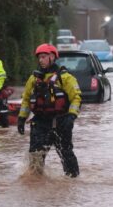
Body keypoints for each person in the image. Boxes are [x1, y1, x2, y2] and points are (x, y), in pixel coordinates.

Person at [17, 43, 82, 177]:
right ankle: (36, 185)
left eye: (43, 57)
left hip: (61, 122)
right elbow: (26, 99)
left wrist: (72, 116)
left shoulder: (65, 78)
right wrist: (21, 118)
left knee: (66, 153)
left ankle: (73, 181)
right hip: (40, 123)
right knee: (35, 157)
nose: (40, 60)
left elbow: (76, 98)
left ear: (52, 57)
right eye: (39, 57)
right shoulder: (34, 79)